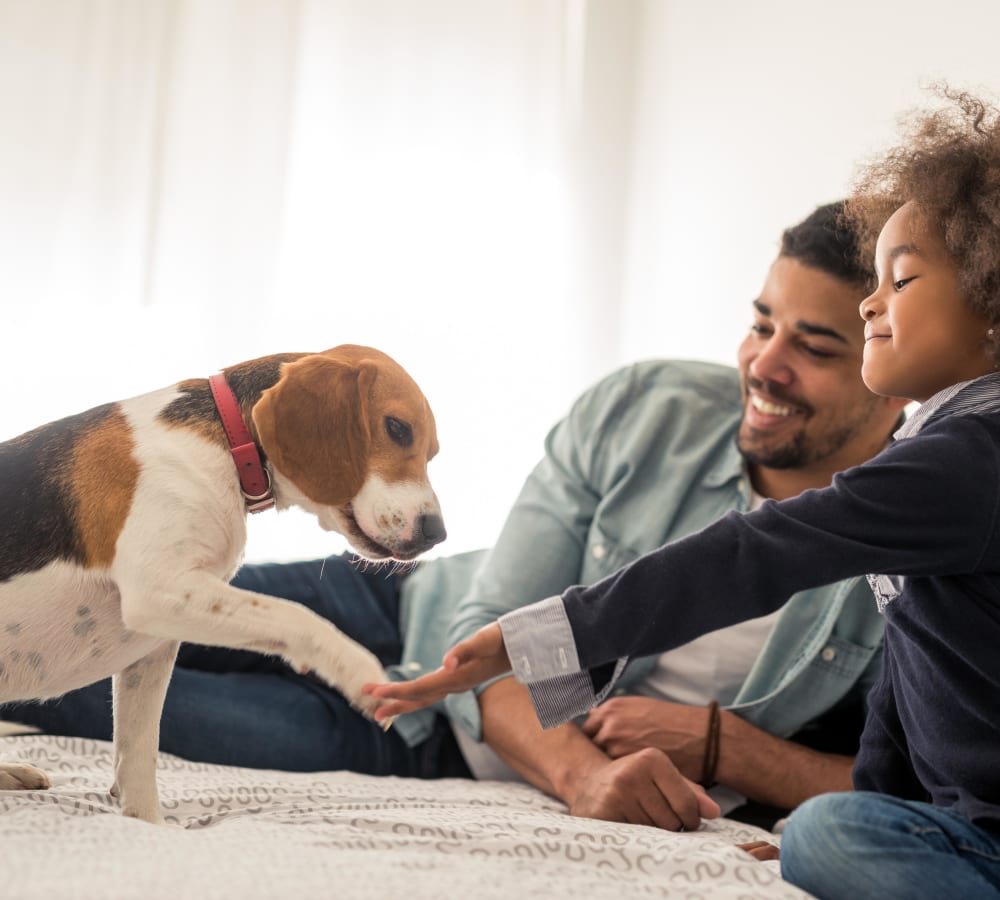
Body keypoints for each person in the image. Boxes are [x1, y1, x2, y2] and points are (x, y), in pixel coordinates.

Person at [1, 201, 907, 830]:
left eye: (815, 346)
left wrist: (731, 749)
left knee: (62, 688)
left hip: (417, 740)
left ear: (885, 351)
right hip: (402, 606)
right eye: (761, 323)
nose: (764, 365)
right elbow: (493, 624)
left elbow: (923, 784)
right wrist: (584, 775)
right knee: (89, 609)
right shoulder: (645, 407)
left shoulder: (921, 533)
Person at [368, 89, 1000, 898]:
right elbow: (910, 685)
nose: (874, 301)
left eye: (900, 280)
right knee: (831, 834)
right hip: (961, 828)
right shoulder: (938, 451)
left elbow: (755, 553)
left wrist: (543, 639)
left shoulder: (971, 460)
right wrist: (876, 813)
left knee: (825, 832)